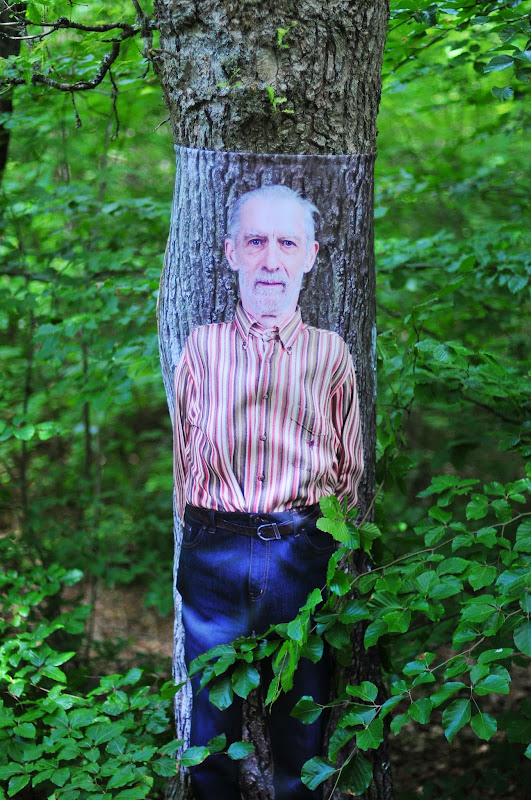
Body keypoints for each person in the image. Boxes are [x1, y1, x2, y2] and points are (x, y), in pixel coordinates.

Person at [173, 184, 364, 799]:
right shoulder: (202, 349)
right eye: (255, 242)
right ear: (231, 252)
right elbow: (185, 465)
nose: (271, 260)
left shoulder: (331, 355)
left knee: (301, 734)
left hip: (300, 553)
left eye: (287, 243)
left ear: (310, 256)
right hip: (214, 554)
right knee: (211, 735)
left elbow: (349, 470)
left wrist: (314, 542)